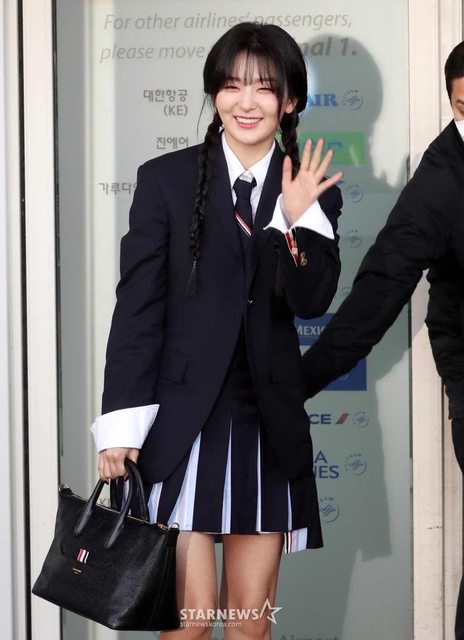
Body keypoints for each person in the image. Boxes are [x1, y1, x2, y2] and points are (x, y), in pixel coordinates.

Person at [90, 22, 343, 639]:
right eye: (231, 86)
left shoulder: (308, 187)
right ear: (214, 94)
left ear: (290, 100)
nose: (246, 102)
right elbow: (137, 311)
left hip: (266, 428)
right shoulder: (166, 180)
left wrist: (295, 220)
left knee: (250, 626)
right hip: (178, 429)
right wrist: (120, 426)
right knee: (189, 623)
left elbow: (312, 300)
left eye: (264, 87)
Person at [301, 40, 464, 639]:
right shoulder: (441, 181)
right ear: (452, 102)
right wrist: (297, 381)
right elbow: (378, 292)